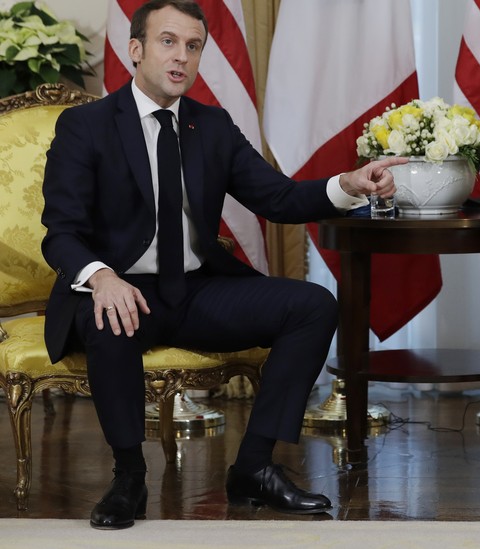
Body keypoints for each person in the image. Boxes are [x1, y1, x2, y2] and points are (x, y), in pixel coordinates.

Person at [40, 0, 404, 530]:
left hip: (192, 290)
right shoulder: (87, 125)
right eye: (168, 42)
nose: (181, 57)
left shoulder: (211, 126)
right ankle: (129, 476)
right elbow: (62, 231)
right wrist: (101, 277)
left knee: (311, 305)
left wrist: (347, 186)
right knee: (107, 314)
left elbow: (277, 198)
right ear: (135, 49)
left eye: (193, 46)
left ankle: (254, 468)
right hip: (120, 289)